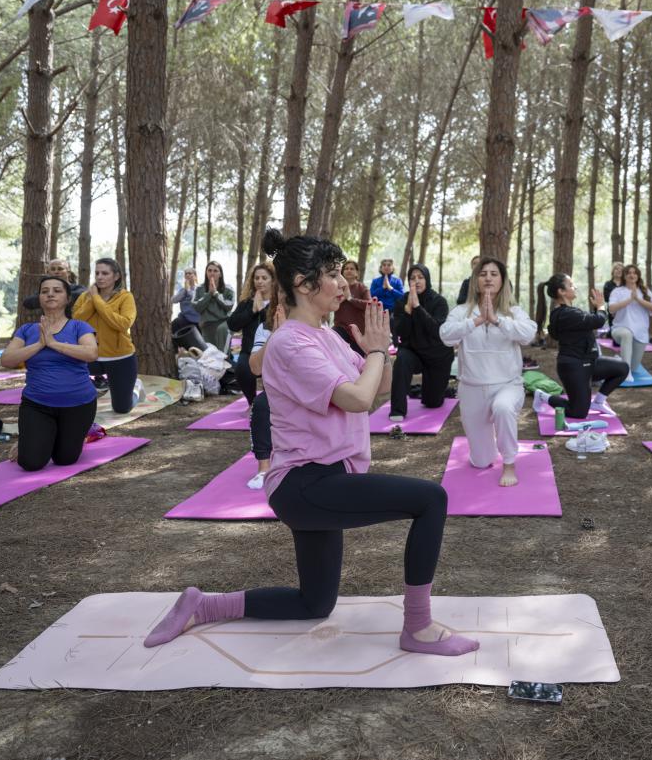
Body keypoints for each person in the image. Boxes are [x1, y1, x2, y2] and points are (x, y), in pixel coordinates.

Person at [144, 228, 478, 659]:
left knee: (314, 604)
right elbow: (357, 398)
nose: (343, 284)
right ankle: (418, 627)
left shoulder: (328, 336)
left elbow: (379, 387)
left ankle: (203, 604)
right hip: (306, 483)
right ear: (303, 284)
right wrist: (374, 355)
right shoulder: (290, 343)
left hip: (328, 479)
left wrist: (382, 350)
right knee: (430, 500)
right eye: (333, 275)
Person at [439, 257, 536, 487]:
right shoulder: (462, 311)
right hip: (472, 389)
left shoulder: (514, 312)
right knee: (481, 461)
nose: (488, 278)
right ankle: (489, 446)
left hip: (508, 385)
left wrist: (496, 321)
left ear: (502, 281)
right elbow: (445, 335)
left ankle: (510, 464)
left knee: (502, 408)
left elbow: (528, 334)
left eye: (494, 273)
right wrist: (477, 321)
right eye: (483, 274)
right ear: (475, 280)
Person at [2, 276, 100, 471]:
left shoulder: (79, 327)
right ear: (39, 298)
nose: (50, 294)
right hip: (37, 404)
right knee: (30, 463)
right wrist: (39, 344)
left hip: (79, 404)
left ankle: (77, 435)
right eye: (45, 291)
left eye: (57, 290)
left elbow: (91, 353)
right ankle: (31, 440)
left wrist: (54, 343)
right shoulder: (27, 330)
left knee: (65, 459)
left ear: (67, 298)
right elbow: (7, 359)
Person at [532, 273, 629, 419]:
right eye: (571, 285)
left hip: (590, 362)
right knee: (578, 413)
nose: (575, 287)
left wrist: (598, 309)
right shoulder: (565, 314)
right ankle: (543, 396)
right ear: (561, 291)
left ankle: (599, 402)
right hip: (574, 367)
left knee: (622, 368)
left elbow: (589, 322)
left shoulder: (569, 312)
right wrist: (601, 306)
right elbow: (598, 321)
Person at [72, 258, 139, 414]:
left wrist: (97, 299)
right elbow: (76, 321)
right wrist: (92, 298)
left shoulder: (125, 297)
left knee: (122, 408)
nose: (100, 277)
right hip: (90, 356)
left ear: (116, 276)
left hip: (120, 358)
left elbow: (123, 324)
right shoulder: (84, 297)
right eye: (97, 273)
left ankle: (135, 390)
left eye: (105, 273)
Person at [390, 263, 454, 422]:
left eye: (420, 277)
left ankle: (431, 389)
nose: (417, 281)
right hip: (412, 351)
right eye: (412, 278)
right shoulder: (402, 301)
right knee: (402, 359)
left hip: (437, 355)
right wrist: (408, 311)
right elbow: (400, 334)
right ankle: (397, 410)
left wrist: (417, 307)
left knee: (433, 403)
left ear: (427, 280)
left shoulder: (439, 301)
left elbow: (436, 331)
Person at [244, 301, 286, 490]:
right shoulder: (264, 328)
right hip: (278, 390)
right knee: (260, 404)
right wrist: (275, 336)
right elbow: (255, 368)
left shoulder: (316, 326)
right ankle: (264, 467)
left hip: (308, 390)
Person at [228, 262, 277, 404]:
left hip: (272, 351)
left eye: (264, 278)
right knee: (241, 369)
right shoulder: (246, 303)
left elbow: (269, 326)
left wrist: (262, 309)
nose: (260, 281)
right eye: (257, 278)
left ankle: (271, 404)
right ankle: (252, 402)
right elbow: (232, 324)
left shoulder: (279, 302)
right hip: (248, 351)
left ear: (273, 280)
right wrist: (252, 311)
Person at [607, 264, 652, 380]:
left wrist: (637, 299)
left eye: (634, 273)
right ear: (624, 276)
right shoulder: (617, 291)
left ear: (638, 276)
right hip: (620, 329)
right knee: (627, 334)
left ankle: (619, 360)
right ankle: (626, 373)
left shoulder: (645, 291)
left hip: (640, 334)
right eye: (629, 273)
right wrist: (630, 299)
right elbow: (611, 309)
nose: (632, 275)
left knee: (634, 367)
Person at [192, 261, 236, 353]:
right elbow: (196, 307)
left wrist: (216, 294)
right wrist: (208, 294)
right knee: (210, 355)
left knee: (222, 354)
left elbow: (229, 306)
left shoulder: (228, 289)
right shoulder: (199, 289)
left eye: (215, 271)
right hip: (207, 326)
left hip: (224, 324)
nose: (212, 273)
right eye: (209, 270)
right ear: (206, 273)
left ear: (220, 274)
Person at [332, 260, 369, 355]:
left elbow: (369, 304)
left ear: (357, 273)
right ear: (342, 272)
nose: (349, 270)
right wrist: (341, 298)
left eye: (352, 269)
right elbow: (329, 303)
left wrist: (350, 298)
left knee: (357, 361)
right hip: (340, 328)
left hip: (358, 331)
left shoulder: (362, 288)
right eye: (346, 268)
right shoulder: (336, 287)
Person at [171, 268, 201, 334]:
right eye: (186, 274)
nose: (187, 275)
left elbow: (194, 299)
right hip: (185, 319)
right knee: (174, 324)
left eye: (190, 273)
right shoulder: (182, 290)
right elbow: (174, 300)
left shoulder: (200, 289)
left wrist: (188, 290)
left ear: (195, 277)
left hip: (197, 321)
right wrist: (185, 290)